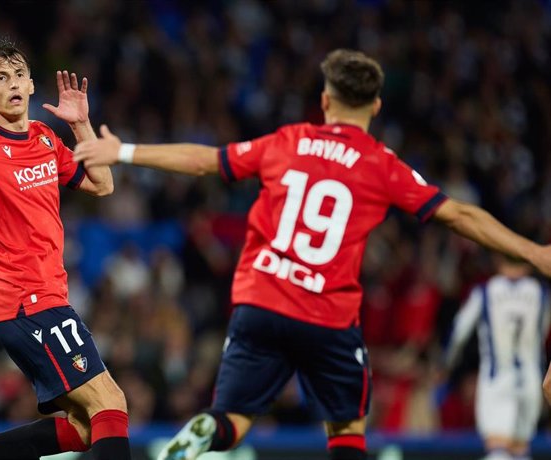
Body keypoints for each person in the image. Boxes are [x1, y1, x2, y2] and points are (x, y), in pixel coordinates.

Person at [73, 48, 551, 460]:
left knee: (234, 419)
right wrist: (533, 252)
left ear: (325, 101)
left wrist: (125, 151)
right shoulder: (382, 165)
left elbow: (204, 162)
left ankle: (207, 429)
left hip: (260, 300)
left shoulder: (287, 141)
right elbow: (460, 217)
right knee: (346, 429)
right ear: (377, 105)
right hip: (327, 314)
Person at [0, 38, 131, 460]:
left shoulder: (44, 137)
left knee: (86, 428)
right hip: (23, 300)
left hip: (48, 296)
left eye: (18, 74)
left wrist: (81, 125)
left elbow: (103, 185)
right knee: (111, 403)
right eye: (0, 77)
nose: (13, 83)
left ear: (32, 84)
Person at [444, 255, 549, 460]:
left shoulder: (485, 291)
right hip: (530, 381)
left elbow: (459, 331)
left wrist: (446, 363)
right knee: (520, 451)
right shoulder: (541, 293)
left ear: (498, 261)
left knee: (498, 450)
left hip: (497, 379)